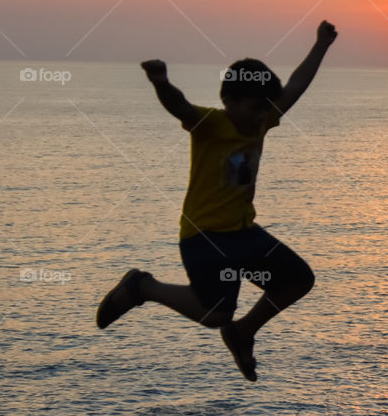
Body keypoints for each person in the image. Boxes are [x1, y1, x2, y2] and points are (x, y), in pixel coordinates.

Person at [95, 20, 339, 381]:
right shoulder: (209, 125)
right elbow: (179, 107)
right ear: (229, 101)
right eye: (256, 108)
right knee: (215, 314)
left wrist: (321, 44)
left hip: (244, 235)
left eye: (267, 109)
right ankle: (142, 287)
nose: (263, 117)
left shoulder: (262, 121)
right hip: (205, 236)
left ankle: (243, 333)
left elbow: (298, 84)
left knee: (298, 280)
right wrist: (161, 83)